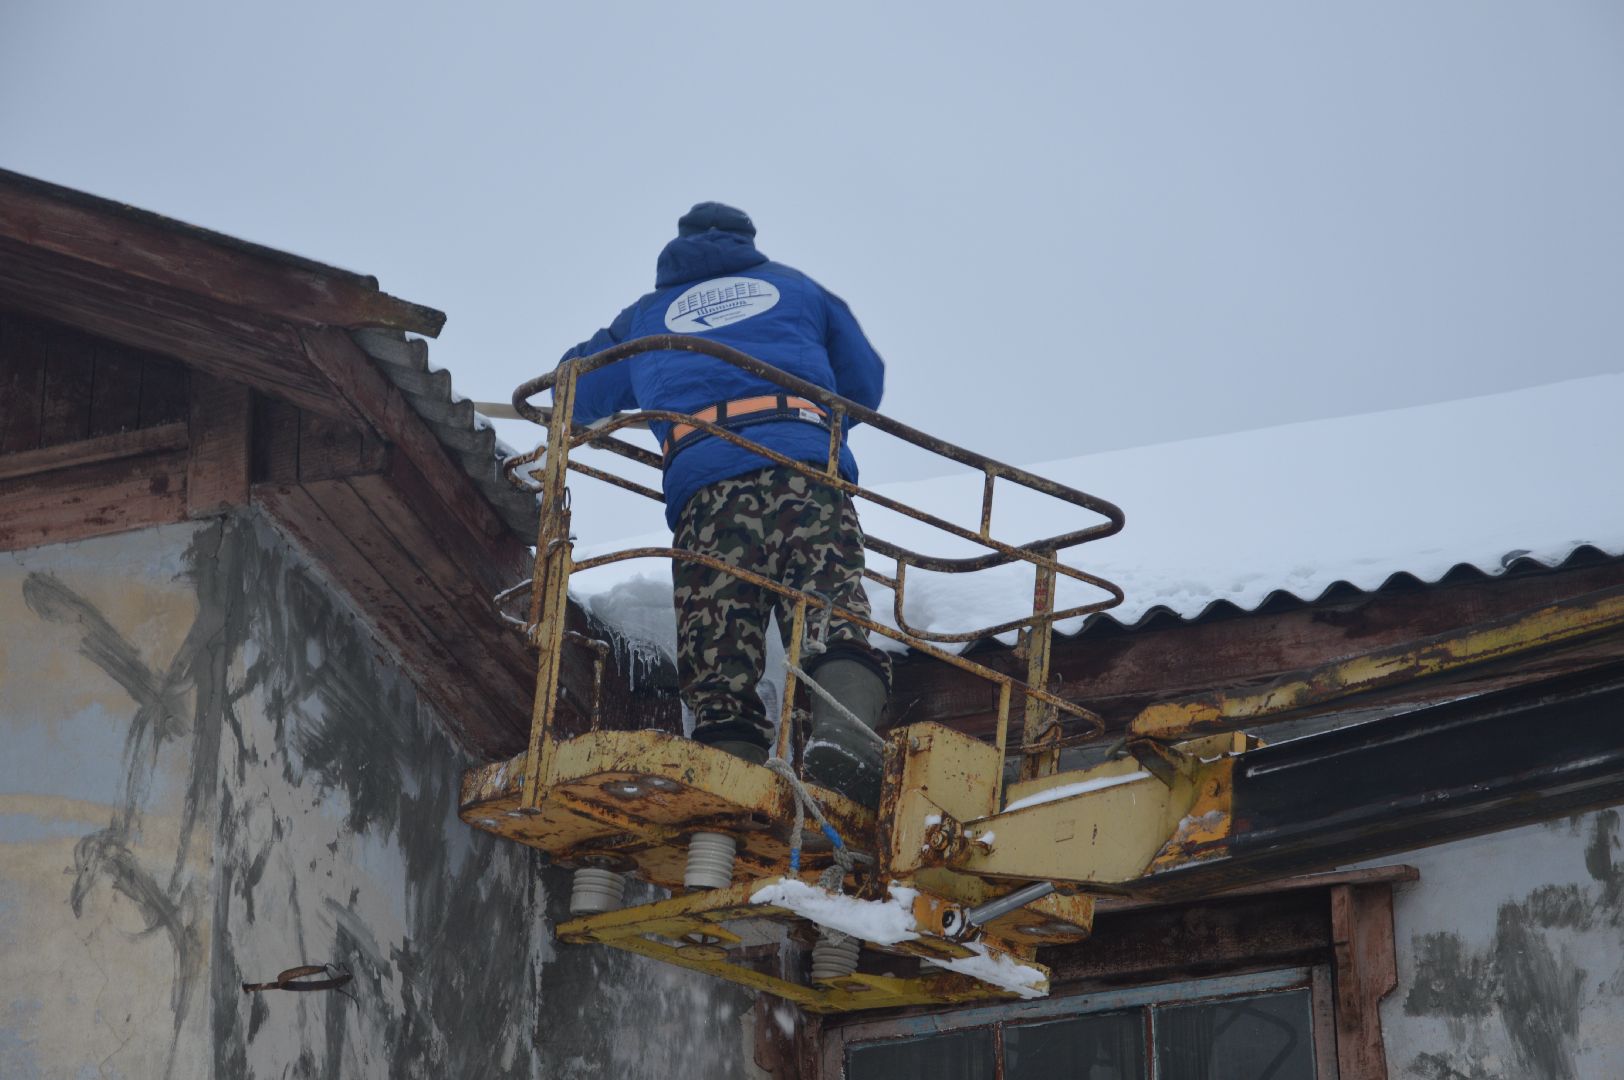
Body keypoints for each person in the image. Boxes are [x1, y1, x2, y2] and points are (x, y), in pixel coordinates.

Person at [557, 201, 891, 805]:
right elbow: (863, 386)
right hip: (803, 470)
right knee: (830, 611)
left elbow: (574, 390)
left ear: (678, 248)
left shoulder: (645, 316)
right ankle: (845, 742)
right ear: (747, 241)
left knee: (719, 650)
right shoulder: (798, 288)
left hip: (706, 486)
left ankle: (729, 789)